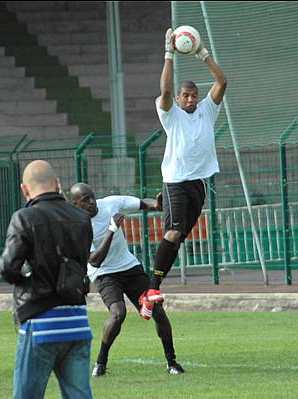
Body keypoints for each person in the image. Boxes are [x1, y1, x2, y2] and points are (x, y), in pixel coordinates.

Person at [142, 27, 228, 314]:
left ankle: (153, 288)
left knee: (179, 238)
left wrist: (201, 52)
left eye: (193, 96)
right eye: (185, 96)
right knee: (173, 233)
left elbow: (222, 81)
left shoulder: (207, 110)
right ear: (179, 99)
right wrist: (169, 53)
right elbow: (165, 90)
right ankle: (151, 289)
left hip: (198, 184)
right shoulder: (172, 113)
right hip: (176, 181)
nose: (190, 100)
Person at [0, 160, 94, 399]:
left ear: (25, 189)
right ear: (58, 184)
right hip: (77, 320)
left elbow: (7, 269)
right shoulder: (82, 218)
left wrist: (27, 279)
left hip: (40, 322)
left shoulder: (24, 218)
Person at [70, 183, 185, 377]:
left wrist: (157, 205)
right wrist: (111, 230)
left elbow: (142, 203)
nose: (91, 202)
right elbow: (95, 261)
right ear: (75, 205)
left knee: (157, 310)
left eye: (91, 196)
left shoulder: (110, 204)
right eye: (85, 200)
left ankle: (171, 362)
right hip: (104, 274)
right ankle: (101, 362)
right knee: (118, 314)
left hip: (129, 267)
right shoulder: (78, 226)